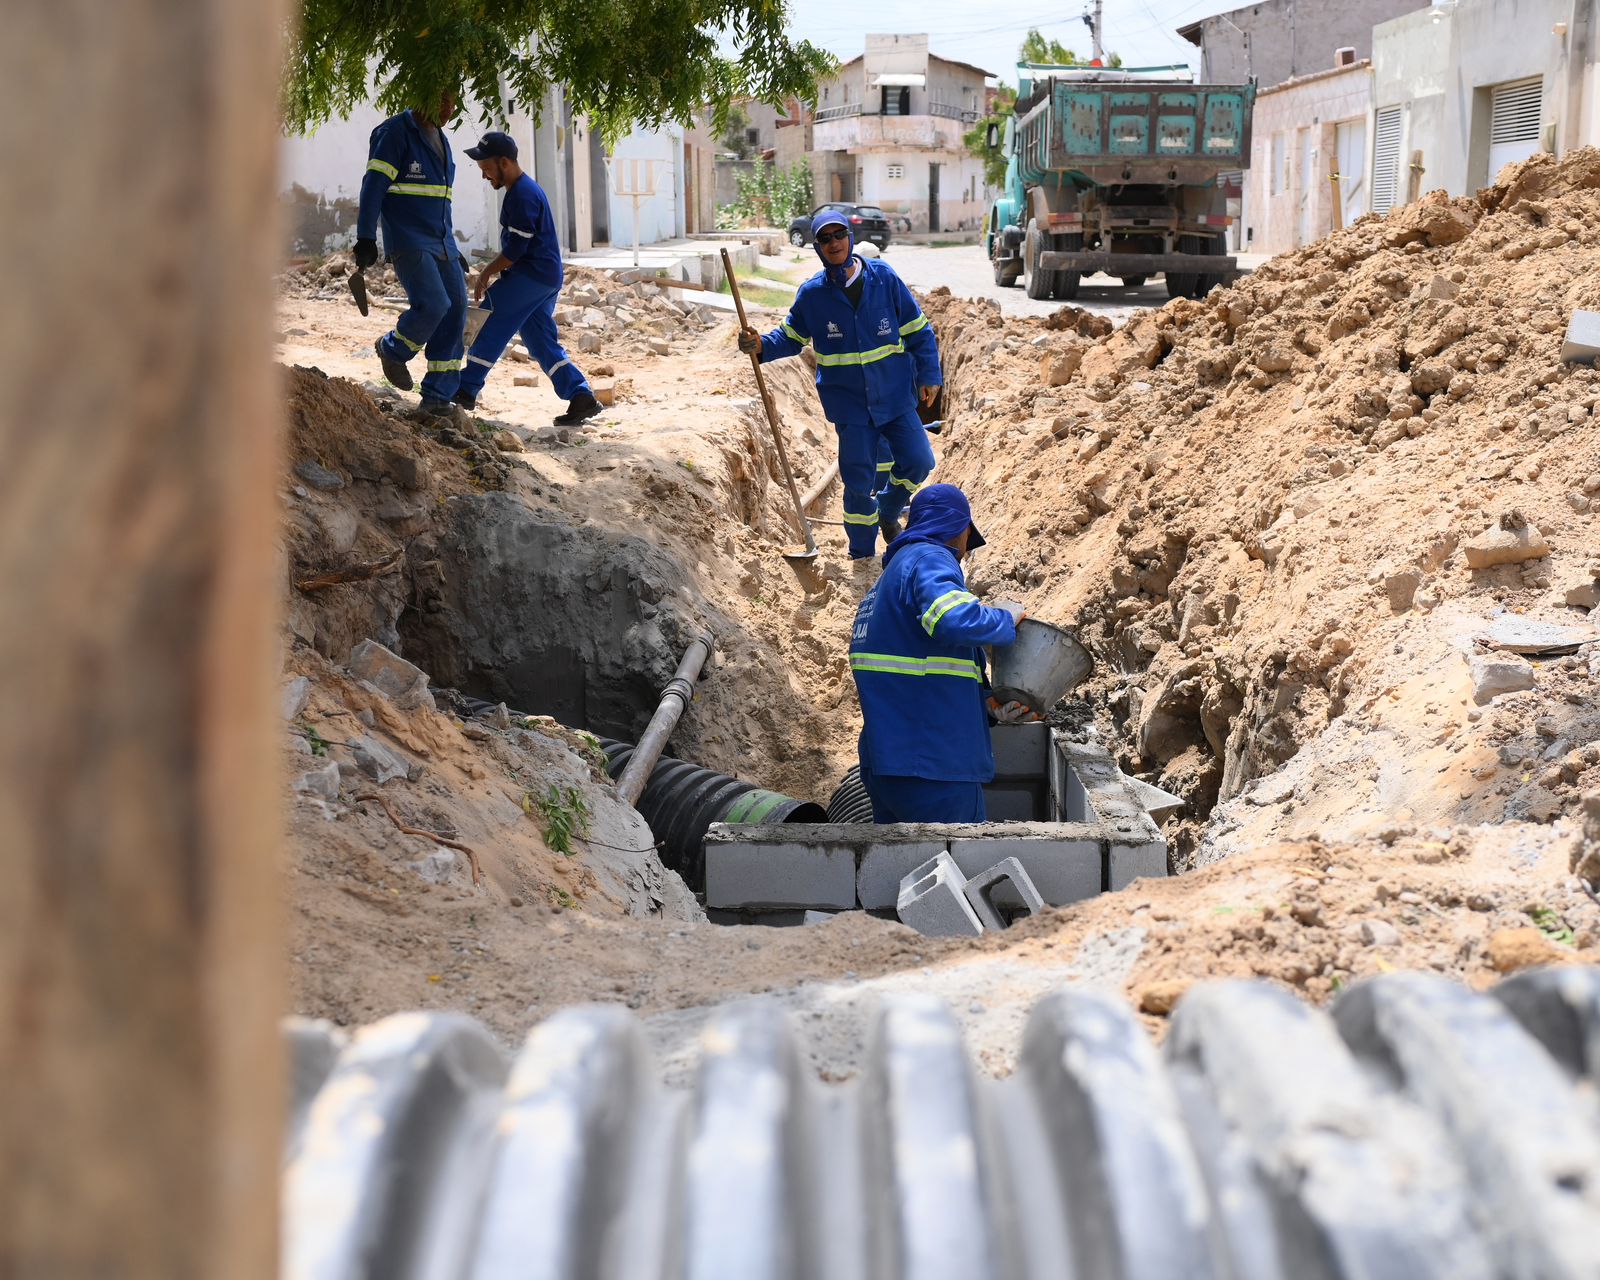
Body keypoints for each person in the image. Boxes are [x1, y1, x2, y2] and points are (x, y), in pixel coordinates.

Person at [738, 209, 941, 560]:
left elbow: (918, 330)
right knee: (858, 484)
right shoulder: (812, 295)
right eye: (825, 238)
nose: (834, 243)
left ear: (850, 237)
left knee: (919, 460)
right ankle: (861, 555)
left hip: (895, 397)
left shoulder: (884, 279)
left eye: (839, 235)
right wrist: (759, 346)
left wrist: (930, 374)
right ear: (817, 246)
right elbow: (789, 337)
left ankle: (889, 510)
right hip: (850, 408)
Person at [849, 484, 1037, 824]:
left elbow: (919, 668)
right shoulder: (929, 558)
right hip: (935, 766)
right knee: (956, 858)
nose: (964, 552)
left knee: (902, 860)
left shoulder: (892, 579)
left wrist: (987, 706)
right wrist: (1004, 619)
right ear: (958, 529)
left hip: (891, 765)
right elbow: (952, 619)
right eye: (967, 537)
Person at [453, 131, 601, 426]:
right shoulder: (522, 190)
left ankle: (466, 389)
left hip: (532, 276)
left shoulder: (522, 195)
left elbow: (516, 250)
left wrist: (486, 272)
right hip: (545, 277)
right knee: (539, 340)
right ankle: (580, 396)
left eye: (486, 168)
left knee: (490, 318)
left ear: (504, 162)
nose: (484, 176)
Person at [355, 98, 468, 417]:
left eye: (453, 102)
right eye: (442, 101)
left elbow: (440, 200)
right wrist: (365, 236)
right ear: (422, 94)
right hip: (409, 238)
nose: (449, 110)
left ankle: (437, 398)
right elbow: (373, 187)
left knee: (456, 309)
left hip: (442, 242)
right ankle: (391, 349)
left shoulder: (441, 139)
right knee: (434, 304)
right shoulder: (394, 133)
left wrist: (452, 248)